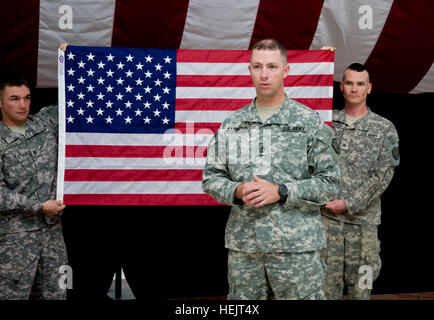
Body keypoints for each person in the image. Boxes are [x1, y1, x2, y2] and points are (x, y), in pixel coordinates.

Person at [202, 38, 340, 300]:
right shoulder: (232, 124)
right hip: (245, 248)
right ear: (250, 70)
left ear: (285, 70)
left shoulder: (309, 122)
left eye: (272, 67)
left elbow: (330, 183)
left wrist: (282, 191)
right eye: (258, 66)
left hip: (296, 249)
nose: (264, 74)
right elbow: (211, 178)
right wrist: (238, 190)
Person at [321, 63, 400, 300]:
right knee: (325, 290)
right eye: (349, 83)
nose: (354, 88)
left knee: (361, 291)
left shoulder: (384, 128)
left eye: (360, 84)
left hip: (363, 224)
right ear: (341, 87)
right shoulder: (326, 124)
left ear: (369, 88)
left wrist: (349, 203)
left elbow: (383, 175)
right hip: (327, 222)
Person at [0, 78, 67, 299]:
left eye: (27, 98)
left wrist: (71, 60)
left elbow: (74, 101)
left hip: (53, 239)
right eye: (15, 99)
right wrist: (38, 206)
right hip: (15, 242)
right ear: (1, 103)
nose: (23, 105)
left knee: (58, 293)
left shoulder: (45, 123)